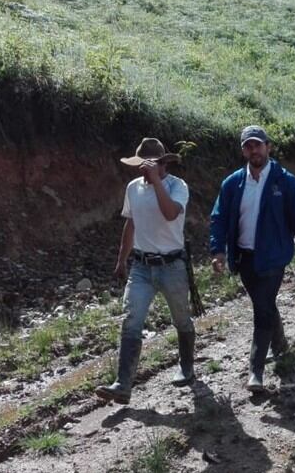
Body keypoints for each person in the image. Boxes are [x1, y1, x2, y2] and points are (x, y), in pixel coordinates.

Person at [209, 125, 295, 393]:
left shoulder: (285, 181)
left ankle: (255, 370)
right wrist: (218, 251)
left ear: (268, 147)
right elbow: (219, 218)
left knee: (262, 309)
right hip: (244, 258)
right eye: (248, 146)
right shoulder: (233, 183)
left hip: (274, 257)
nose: (254, 150)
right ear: (243, 150)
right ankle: (281, 348)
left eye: (258, 144)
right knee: (265, 305)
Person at [95, 138, 196, 405]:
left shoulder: (177, 186)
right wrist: (121, 260)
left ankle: (187, 367)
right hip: (141, 266)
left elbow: (171, 213)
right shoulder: (133, 188)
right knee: (131, 320)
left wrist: (157, 182)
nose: (143, 171)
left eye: (149, 165)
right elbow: (131, 225)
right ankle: (123, 384)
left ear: (163, 164)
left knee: (181, 319)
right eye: (141, 166)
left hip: (172, 266)